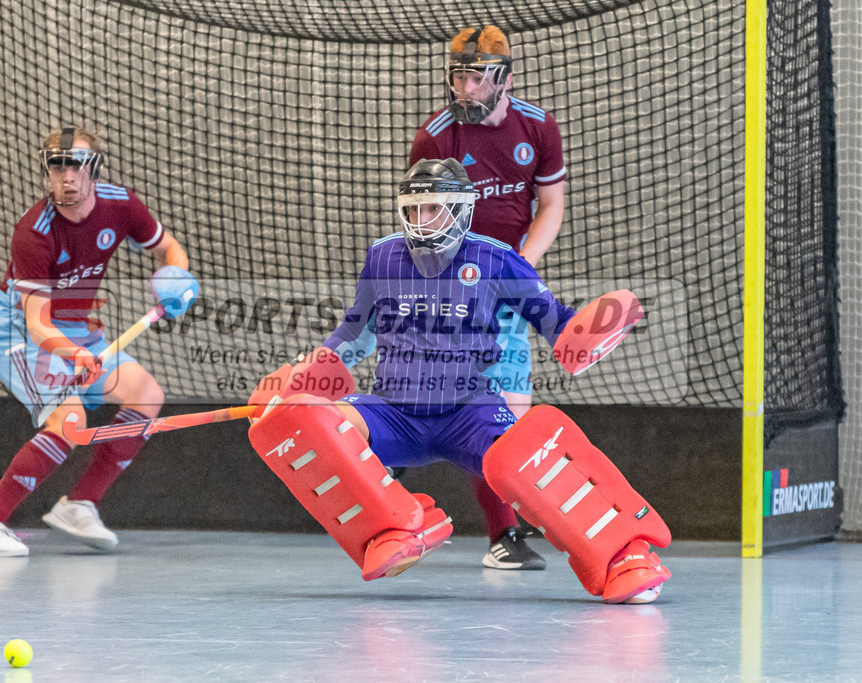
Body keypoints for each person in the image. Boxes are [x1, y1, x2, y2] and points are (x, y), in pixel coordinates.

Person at [245, 159, 670, 604]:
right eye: (412, 211)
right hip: (394, 410)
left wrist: (585, 335)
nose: (421, 221)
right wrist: (306, 372)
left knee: (530, 457)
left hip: (469, 410)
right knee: (307, 423)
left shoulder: (497, 259)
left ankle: (626, 555)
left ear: (461, 209)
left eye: (433, 209)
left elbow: (557, 323)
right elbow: (354, 332)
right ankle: (394, 527)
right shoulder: (383, 256)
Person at [0, 126, 198, 557]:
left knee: (145, 394)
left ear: (93, 170)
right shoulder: (35, 231)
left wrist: (175, 278)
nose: (67, 176)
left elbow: (169, 248)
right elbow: (38, 324)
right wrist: (77, 354)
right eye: (57, 166)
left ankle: (80, 504)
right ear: (47, 172)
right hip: (19, 333)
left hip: (76, 328)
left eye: (76, 165)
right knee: (70, 418)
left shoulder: (121, 205)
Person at [408, 25, 567, 570]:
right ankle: (387, 496)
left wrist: (518, 266)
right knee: (435, 404)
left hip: (506, 288)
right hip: (447, 284)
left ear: (505, 77)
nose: (465, 89)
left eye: (477, 77)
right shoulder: (437, 137)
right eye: (458, 77)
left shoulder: (538, 128)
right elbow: (422, 222)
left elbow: (550, 204)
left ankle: (504, 534)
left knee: (506, 416)